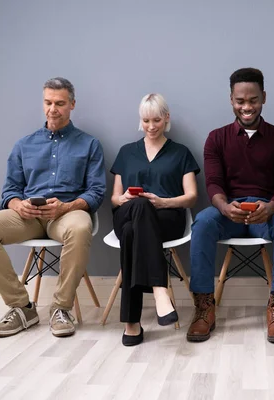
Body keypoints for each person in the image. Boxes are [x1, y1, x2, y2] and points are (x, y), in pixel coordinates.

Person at [0, 77, 106, 338]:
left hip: (66, 214)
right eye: (48, 102)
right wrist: (18, 204)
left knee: (79, 227)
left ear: (72, 105)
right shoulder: (24, 145)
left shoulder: (89, 144)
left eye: (60, 103)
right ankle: (21, 307)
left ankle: (61, 308)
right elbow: (9, 190)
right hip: (28, 217)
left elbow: (96, 192)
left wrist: (65, 207)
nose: (53, 109)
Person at [187, 67, 274, 344]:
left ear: (263, 97)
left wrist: (270, 208)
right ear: (231, 100)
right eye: (240, 101)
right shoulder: (216, 138)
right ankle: (204, 306)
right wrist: (224, 207)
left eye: (253, 100)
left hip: (266, 212)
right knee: (202, 221)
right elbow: (212, 183)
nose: (247, 107)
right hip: (228, 211)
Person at [110, 93, 199, 346]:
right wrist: (125, 197)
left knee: (130, 233)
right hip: (127, 211)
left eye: (157, 120)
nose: (151, 126)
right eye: (146, 120)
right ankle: (160, 290)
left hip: (167, 219)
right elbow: (114, 199)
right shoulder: (126, 152)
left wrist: (163, 202)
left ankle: (132, 324)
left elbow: (191, 197)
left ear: (166, 118)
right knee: (138, 205)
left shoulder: (181, 153)